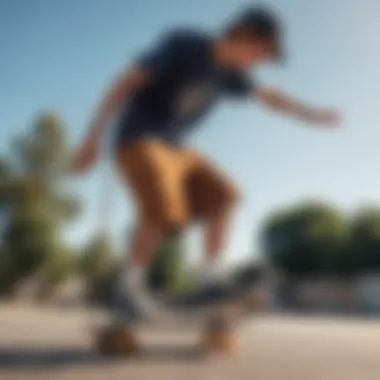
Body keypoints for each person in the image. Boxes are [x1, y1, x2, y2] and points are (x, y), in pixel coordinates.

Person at [73, 7, 341, 320]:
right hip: (140, 138)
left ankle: (211, 280)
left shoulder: (232, 77)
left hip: (177, 149)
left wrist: (312, 115)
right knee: (162, 205)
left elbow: (270, 96)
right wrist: (93, 135)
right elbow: (127, 81)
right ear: (241, 32)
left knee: (225, 194)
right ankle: (128, 289)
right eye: (260, 52)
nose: (258, 63)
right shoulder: (185, 45)